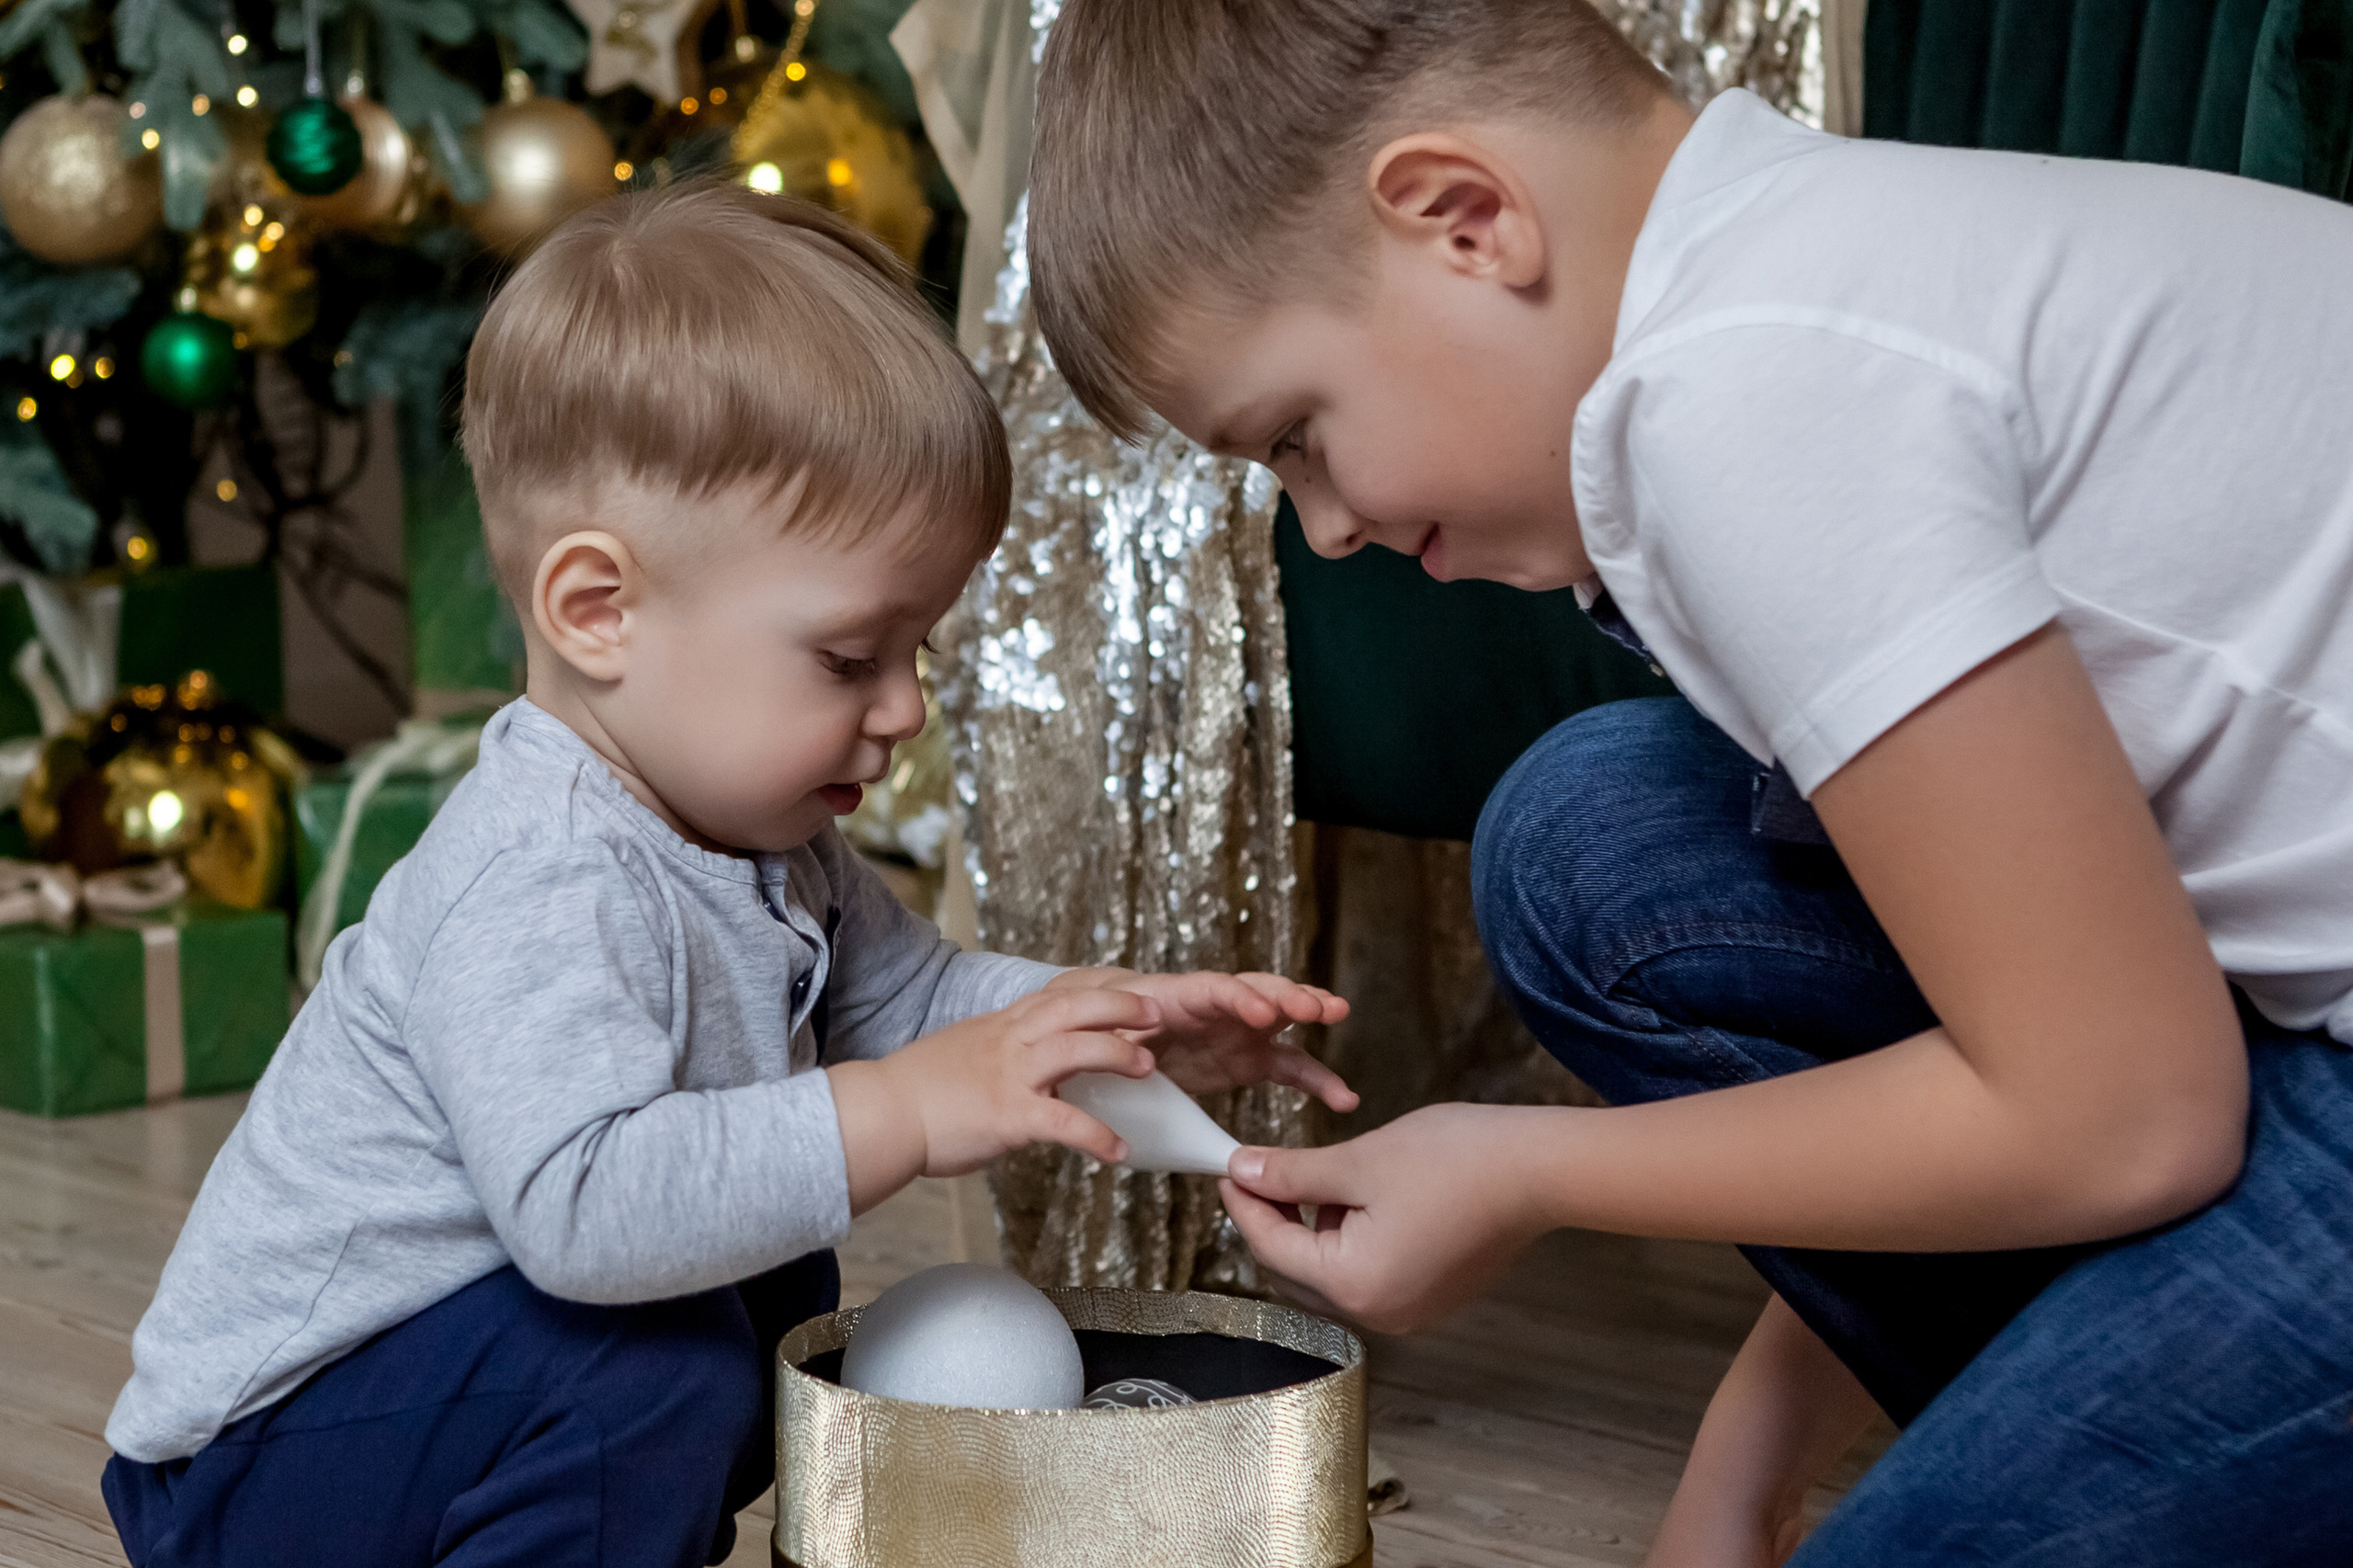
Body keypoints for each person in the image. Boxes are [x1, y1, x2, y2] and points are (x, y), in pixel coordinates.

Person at [1022, 1, 2353, 1564]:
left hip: (2191, 1078)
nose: (1324, 526)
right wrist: (1742, 1475)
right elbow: (2044, 1014)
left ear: (1466, 218)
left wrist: (1525, 1170)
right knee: (1600, 836)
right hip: (2237, 1033)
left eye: (1302, 437)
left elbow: (2129, 1115)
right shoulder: (1794, 266)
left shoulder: (1754, 402)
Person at [99, 180, 1354, 1568]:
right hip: (258, 1468)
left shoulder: (761, 837)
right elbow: (584, 1209)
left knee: (771, 1293)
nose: (906, 710)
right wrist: (911, 1111)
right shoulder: (541, 872)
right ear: (599, 613)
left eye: (917, 652)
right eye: (847, 657)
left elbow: (914, 996)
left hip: (431, 1397)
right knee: (655, 1360)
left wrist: (1097, 1022)